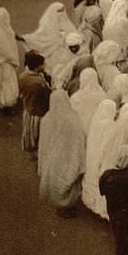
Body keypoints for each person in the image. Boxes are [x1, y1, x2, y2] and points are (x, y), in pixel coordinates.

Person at [37, 90, 86, 218]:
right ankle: (67, 207)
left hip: (52, 159)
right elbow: (80, 140)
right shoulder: (74, 120)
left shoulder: (47, 119)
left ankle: (59, 205)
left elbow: (42, 143)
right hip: (68, 157)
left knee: (55, 180)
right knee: (69, 179)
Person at [19, 50, 52, 158]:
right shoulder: (39, 82)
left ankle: (31, 153)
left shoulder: (23, 76)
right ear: (38, 66)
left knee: (29, 132)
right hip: (39, 111)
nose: (45, 65)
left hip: (28, 109)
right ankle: (38, 152)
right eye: (43, 64)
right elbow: (47, 95)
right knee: (38, 133)